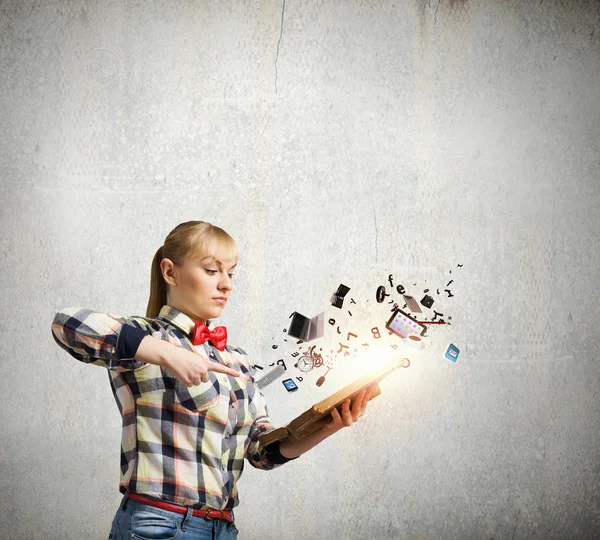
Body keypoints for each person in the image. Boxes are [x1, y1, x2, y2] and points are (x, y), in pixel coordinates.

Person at [51, 220, 378, 539]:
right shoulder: (144, 339)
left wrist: (328, 424)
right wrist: (167, 353)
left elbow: (260, 451)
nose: (226, 284)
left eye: (231, 273)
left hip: (222, 527)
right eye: (211, 271)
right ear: (170, 272)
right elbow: (67, 324)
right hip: (157, 524)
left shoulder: (238, 360)